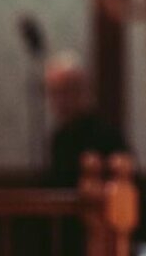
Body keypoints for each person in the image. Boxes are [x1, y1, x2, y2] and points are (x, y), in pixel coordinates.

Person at [44, 50, 128, 187]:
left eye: (66, 90)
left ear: (84, 90)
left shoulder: (106, 135)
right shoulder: (58, 137)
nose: (60, 100)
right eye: (54, 92)